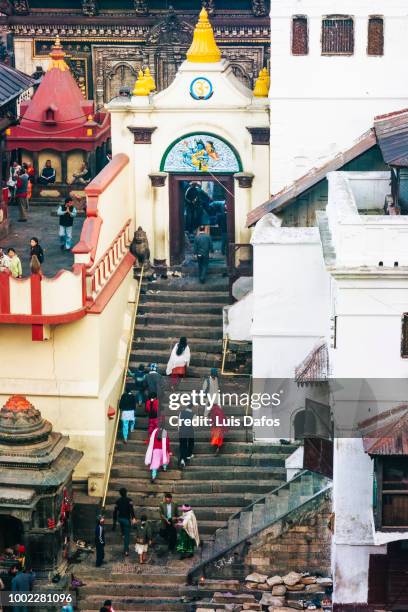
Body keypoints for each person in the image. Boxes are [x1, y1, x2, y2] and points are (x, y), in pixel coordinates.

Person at [112, 487, 136, 556]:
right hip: (126, 520)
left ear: (120, 494)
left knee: (122, 526)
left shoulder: (118, 501)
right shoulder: (129, 500)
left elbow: (115, 512)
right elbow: (131, 510)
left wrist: (114, 523)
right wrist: (133, 518)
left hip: (120, 519)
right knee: (127, 536)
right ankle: (126, 551)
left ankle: (122, 533)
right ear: (126, 493)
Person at [178, 404, 194, 469]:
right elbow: (194, 424)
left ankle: (182, 459)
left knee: (182, 445)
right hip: (190, 430)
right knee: (191, 442)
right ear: (192, 407)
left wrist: (179, 430)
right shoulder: (193, 414)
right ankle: (188, 455)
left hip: (182, 431)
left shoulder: (181, 413)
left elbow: (179, 423)